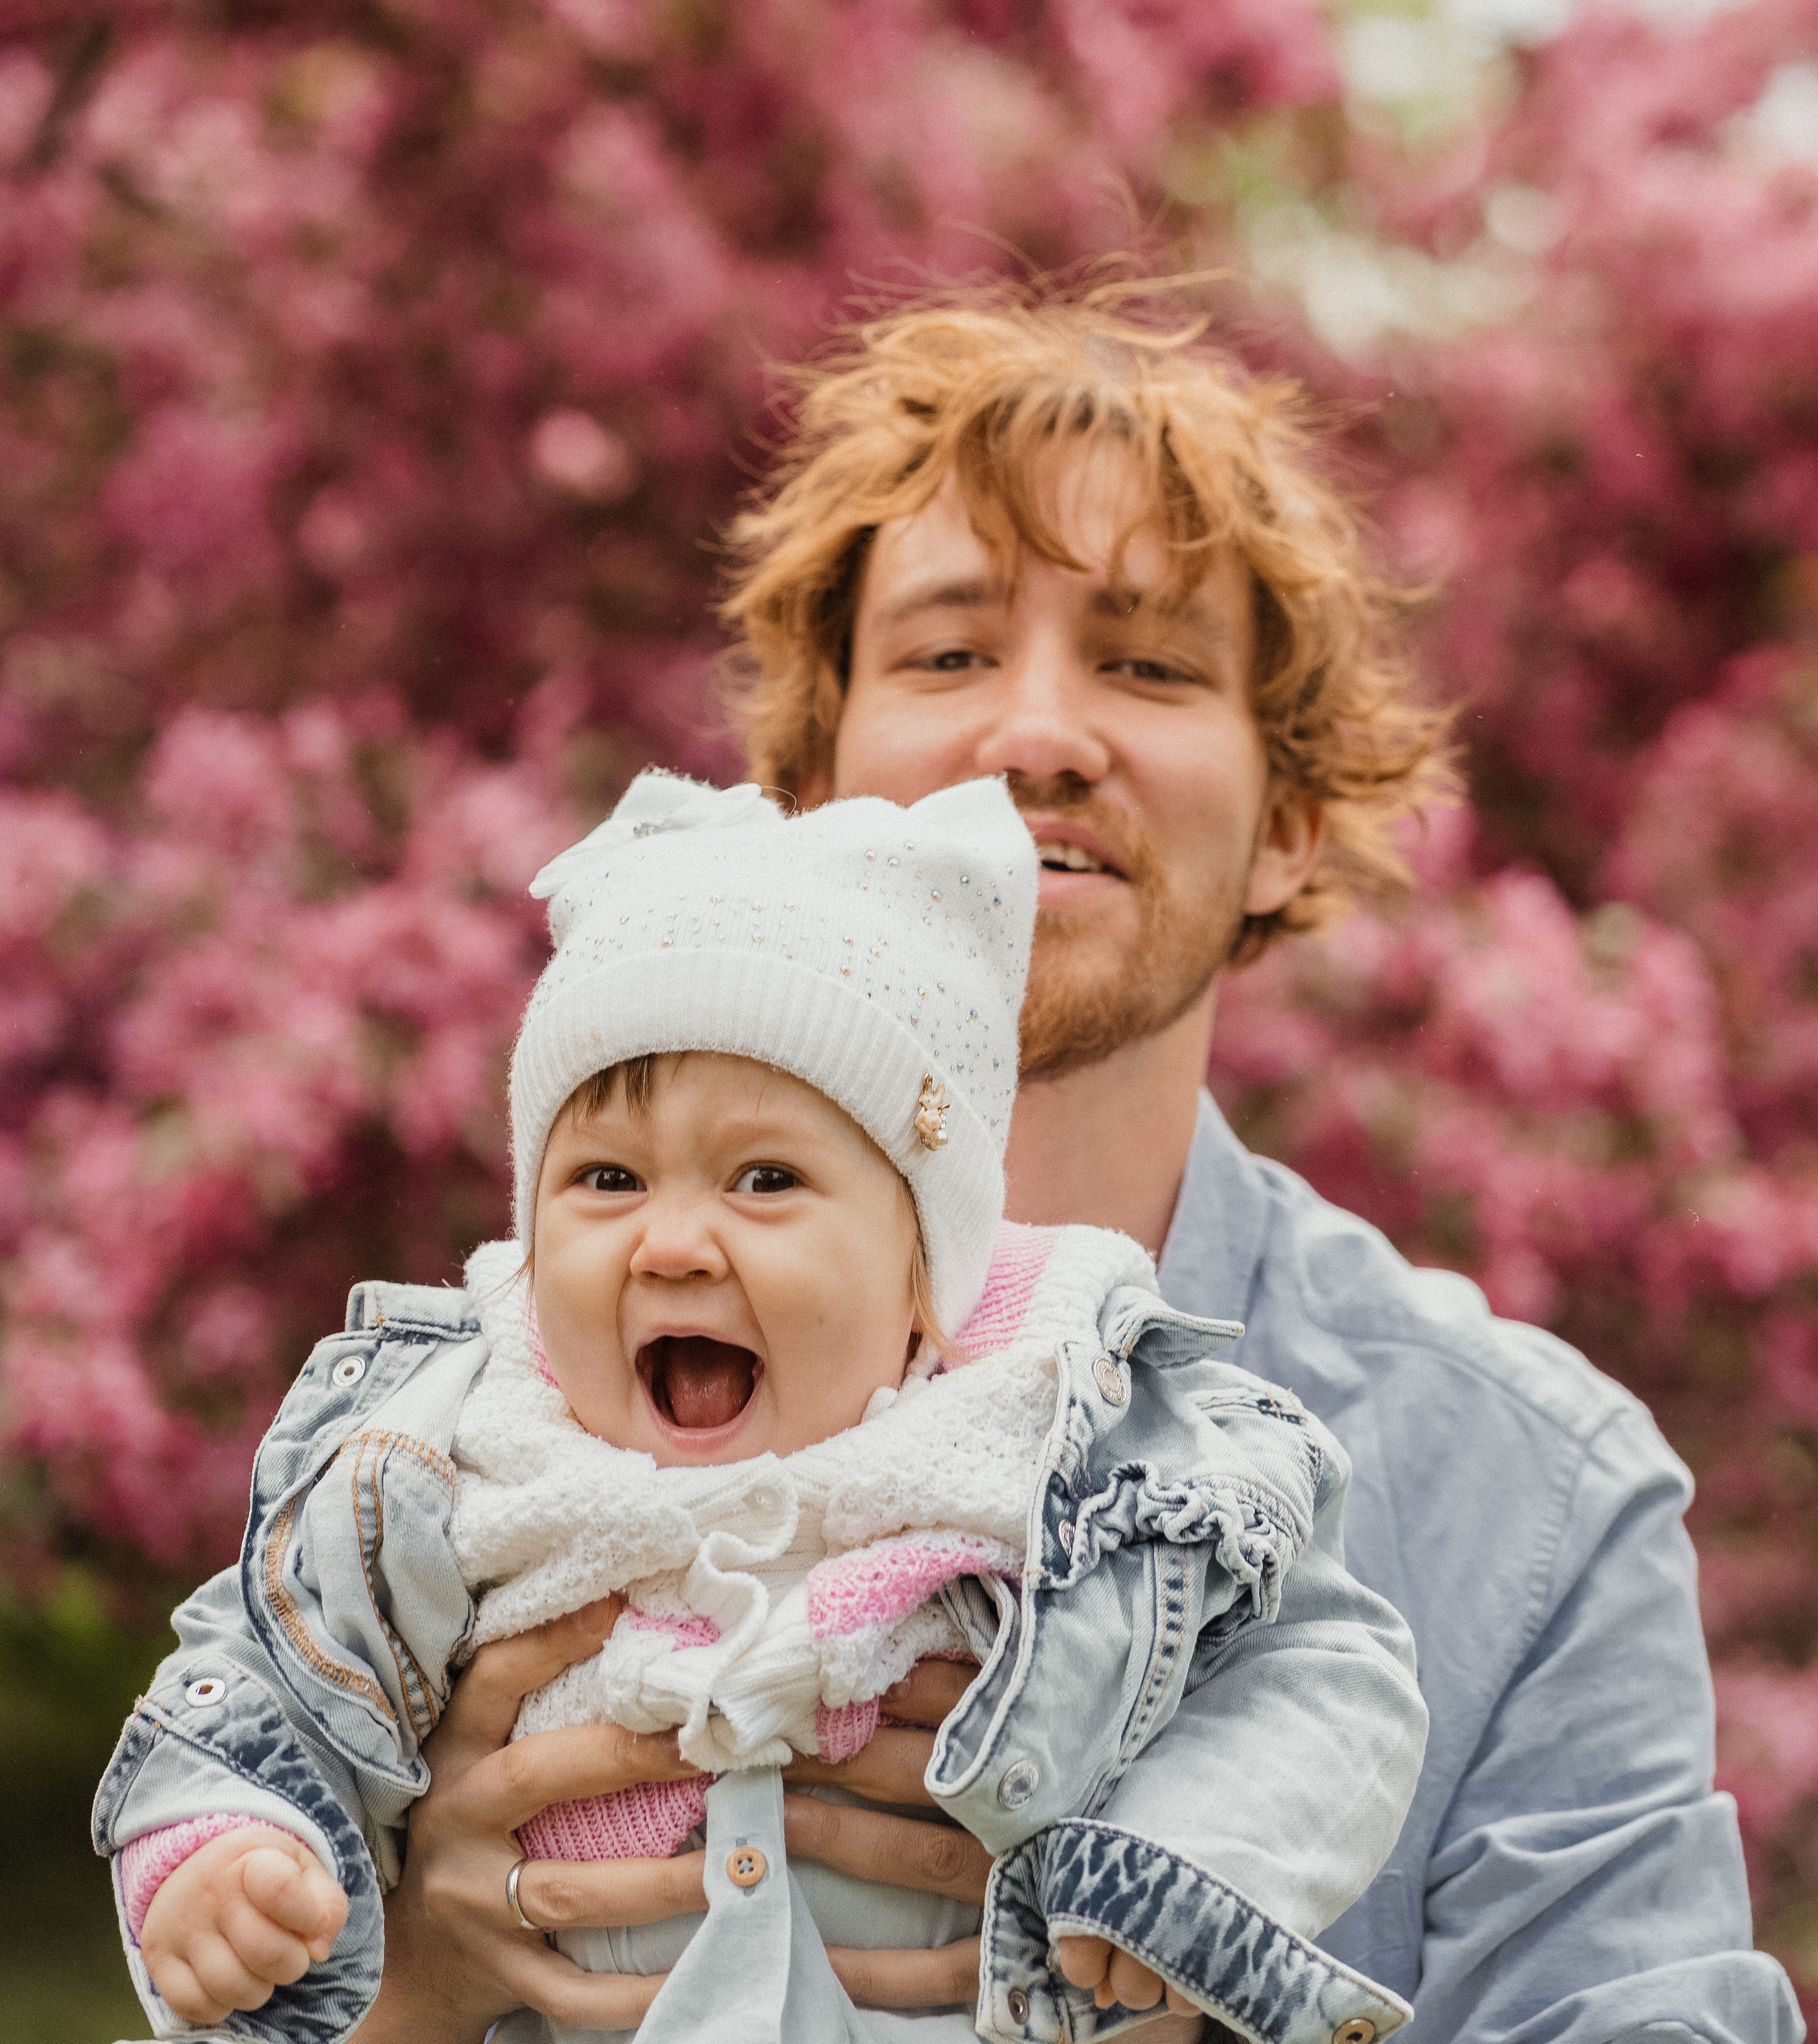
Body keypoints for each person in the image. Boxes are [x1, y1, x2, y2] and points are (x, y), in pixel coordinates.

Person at [237, 287, 1808, 2044]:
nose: (1036, 737)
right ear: (812, 789)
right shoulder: (445, 1433)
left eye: (1143, 664)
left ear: (1286, 824)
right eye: (946, 654)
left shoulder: (1535, 1505)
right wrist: (409, 1993)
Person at [94, 766, 1429, 2044]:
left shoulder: (1054, 1447)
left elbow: (1318, 1669)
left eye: (766, 1182)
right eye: (606, 1181)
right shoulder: (458, 1458)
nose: (671, 1244)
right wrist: (225, 1847)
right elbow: (262, 1667)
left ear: (926, 1277)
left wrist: (1183, 1867)